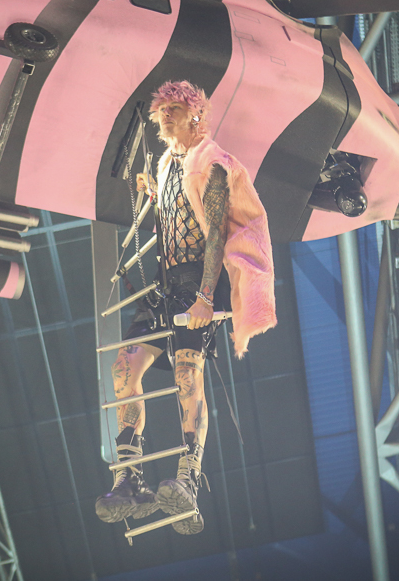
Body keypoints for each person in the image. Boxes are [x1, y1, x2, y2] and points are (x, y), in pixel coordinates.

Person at [95, 80, 276, 535]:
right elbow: (179, 207)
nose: (165, 118)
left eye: (173, 110)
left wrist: (203, 297)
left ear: (196, 115)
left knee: (186, 372)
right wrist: (154, 190)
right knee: (123, 369)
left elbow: (216, 234)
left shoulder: (214, 165)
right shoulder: (167, 161)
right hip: (164, 285)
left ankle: (189, 477)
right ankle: (128, 477)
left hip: (198, 283)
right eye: (162, 112)